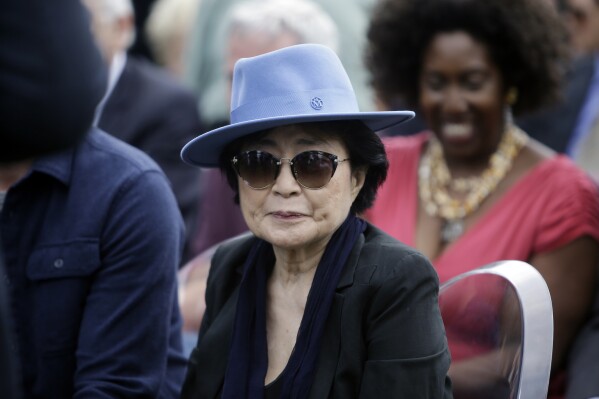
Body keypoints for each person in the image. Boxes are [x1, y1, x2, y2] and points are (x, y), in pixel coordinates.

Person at [179, 44, 452, 398]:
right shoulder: (231, 267)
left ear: (357, 179)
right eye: (259, 163)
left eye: (313, 163)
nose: (285, 187)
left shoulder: (396, 280)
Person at [365, 0, 599, 397]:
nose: (453, 103)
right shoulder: (381, 164)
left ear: (511, 80)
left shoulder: (564, 196)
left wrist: (390, 382)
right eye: (437, 83)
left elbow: (523, 363)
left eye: (473, 82)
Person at [83, 0, 204, 262]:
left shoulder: (166, 104)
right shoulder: (43, 102)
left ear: (122, 27)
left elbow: (166, 223)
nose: (65, 36)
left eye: (83, 23)